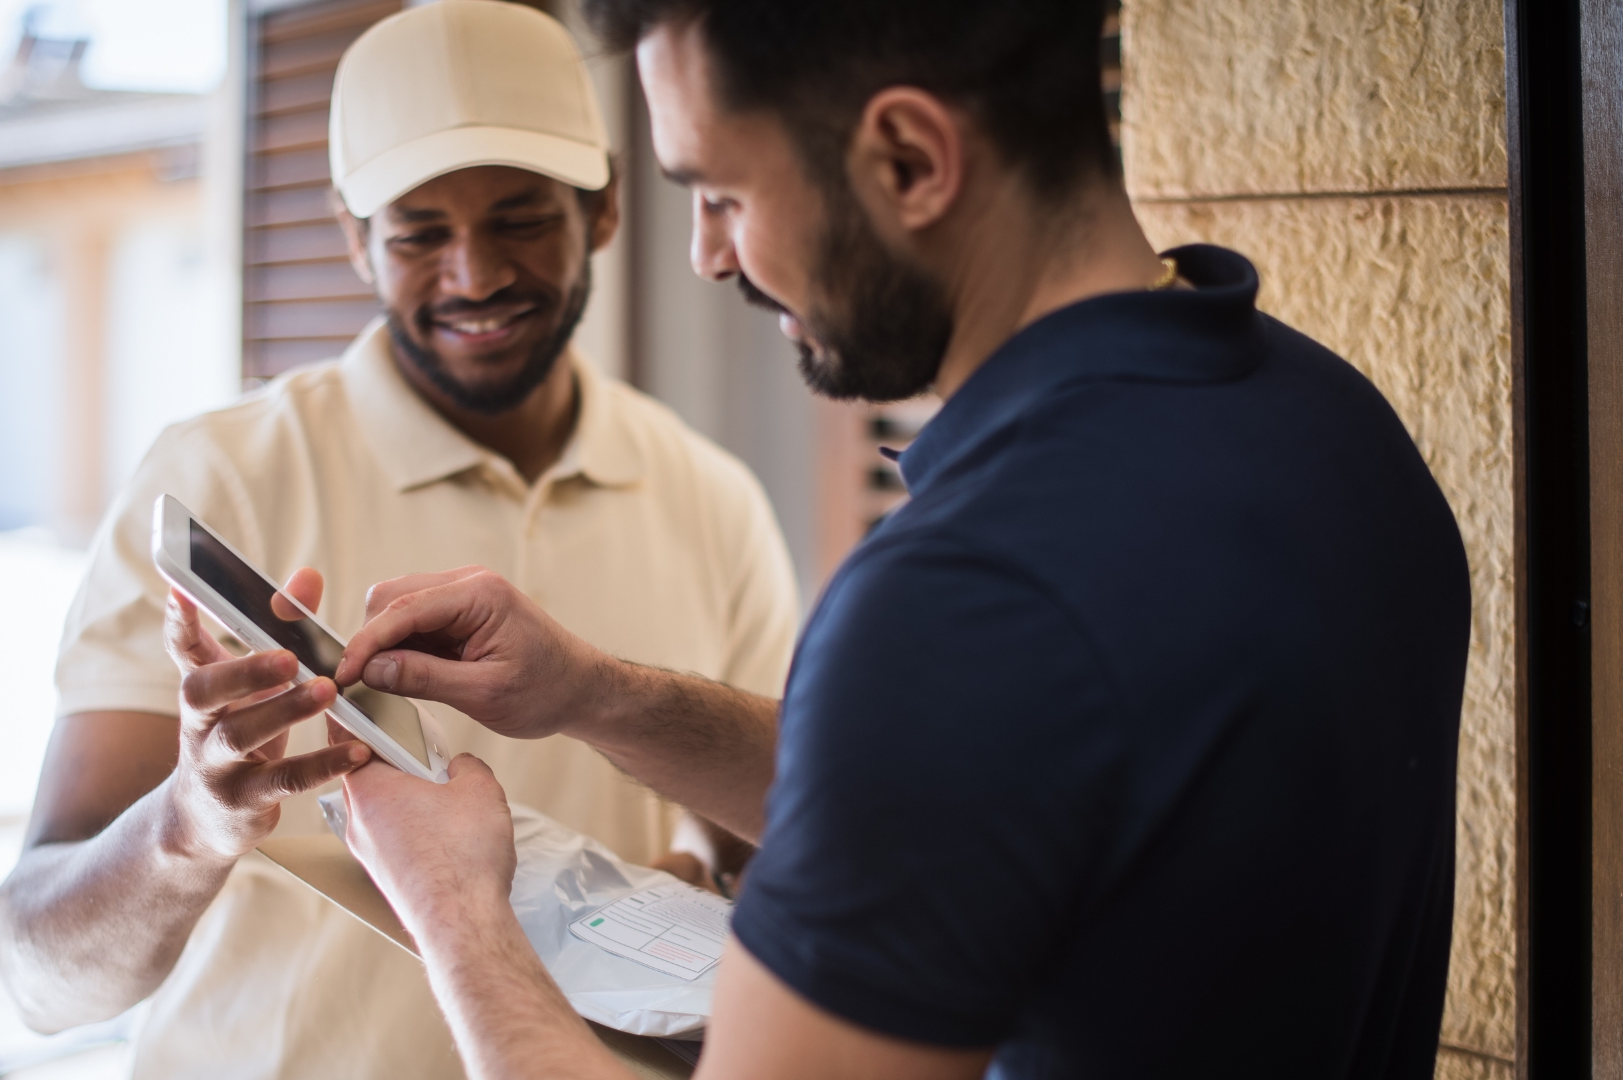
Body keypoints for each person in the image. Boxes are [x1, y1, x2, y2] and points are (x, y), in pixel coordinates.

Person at [229, 1, 1475, 1077]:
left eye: (719, 193)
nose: (711, 257)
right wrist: (594, 695)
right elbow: (990, 782)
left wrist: (455, 907)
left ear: (909, 160)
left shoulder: (967, 597)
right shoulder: (1330, 424)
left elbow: (957, 713)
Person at [0, 4, 800, 1078]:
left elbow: (782, 829)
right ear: (351, 232)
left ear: (603, 210)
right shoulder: (221, 475)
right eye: (420, 231)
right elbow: (41, 977)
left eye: (519, 220)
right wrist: (186, 825)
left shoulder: (713, 498)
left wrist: (694, 862)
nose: (473, 275)